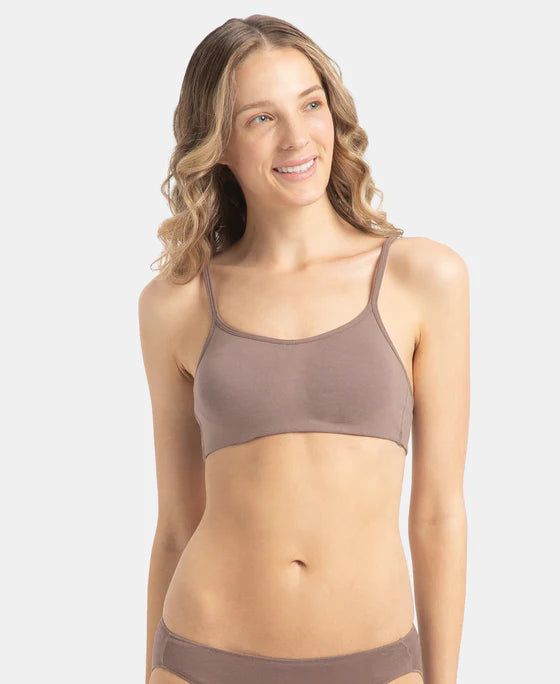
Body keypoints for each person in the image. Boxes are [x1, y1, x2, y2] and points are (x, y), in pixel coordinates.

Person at [139, 14, 469, 684]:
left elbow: (438, 514)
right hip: (202, 655)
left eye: (310, 105)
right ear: (217, 143)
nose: (296, 137)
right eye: (261, 118)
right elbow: (175, 524)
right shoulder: (176, 303)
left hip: (375, 661)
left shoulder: (423, 278)